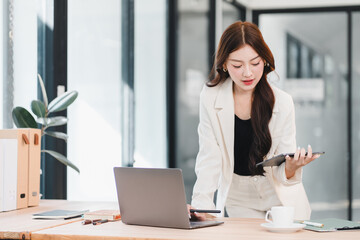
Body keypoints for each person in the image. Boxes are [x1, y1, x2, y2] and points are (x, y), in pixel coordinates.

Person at [188, 21, 320, 221]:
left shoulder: (283, 102)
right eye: (237, 65)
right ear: (224, 64)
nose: (247, 73)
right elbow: (209, 157)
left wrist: (293, 167)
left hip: (277, 194)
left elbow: (283, 167)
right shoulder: (210, 97)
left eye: (255, 63)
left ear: (265, 61)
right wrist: (201, 207)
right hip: (238, 195)